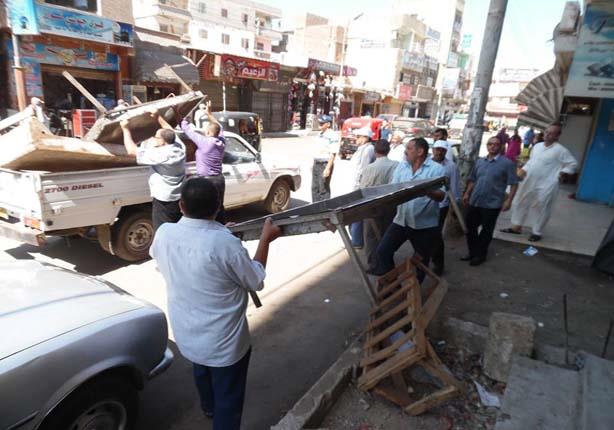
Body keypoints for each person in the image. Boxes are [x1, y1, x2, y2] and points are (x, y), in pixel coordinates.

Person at [150, 177, 281, 430]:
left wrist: (222, 231)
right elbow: (256, 280)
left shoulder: (165, 233)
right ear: (218, 206)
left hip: (188, 334)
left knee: (202, 372)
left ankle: (208, 406)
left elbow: (185, 248)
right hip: (224, 344)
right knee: (228, 401)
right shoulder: (225, 244)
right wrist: (265, 240)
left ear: (181, 205)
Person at [368, 137, 446, 282]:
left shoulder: (437, 169)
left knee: (421, 262)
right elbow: (392, 189)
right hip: (401, 220)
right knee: (382, 252)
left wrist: (426, 190)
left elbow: (441, 196)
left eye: (409, 149)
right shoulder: (402, 167)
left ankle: (413, 298)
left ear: (420, 151)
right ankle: (394, 287)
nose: (405, 151)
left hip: (424, 225)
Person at [500, 123, 577, 242]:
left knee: (542, 206)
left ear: (557, 136)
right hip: (529, 179)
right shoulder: (537, 146)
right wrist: (523, 170)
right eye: (546, 132)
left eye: (551, 133)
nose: (547, 135)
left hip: (548, 183)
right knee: (521, 201)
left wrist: (563, 173)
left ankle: (537, 232)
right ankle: (516, 227)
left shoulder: (561, 150)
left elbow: (573, 164)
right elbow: (531, 162)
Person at [121, 111, 186, 231]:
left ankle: (165, 248)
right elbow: (169, 130)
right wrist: (158, 117)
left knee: (163, 230)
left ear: (163, 141)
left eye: (156, 137)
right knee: (175, 226)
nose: (153, 139)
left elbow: (131, 151)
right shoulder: (179, 147)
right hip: (176, 198)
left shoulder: (162, 154)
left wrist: (125, 128)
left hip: (164, 201)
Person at [462, 137, 518, 266]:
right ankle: (472, 252)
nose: (493, 146)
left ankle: (480, 255)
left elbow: (514, 184)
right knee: (470, 227)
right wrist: (467, 193)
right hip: (475, 200)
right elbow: (473, 179)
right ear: (487, 146)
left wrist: (508, 201)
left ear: (501, 146)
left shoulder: (507, 164)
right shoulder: (480, 162)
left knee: (486, 231)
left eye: (496, 144)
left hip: (492, 203)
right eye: (490, 144)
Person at [180, 100, 227, 223]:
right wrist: (209, 113)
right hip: (219, 179)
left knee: (205, 209)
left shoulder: (205, 142)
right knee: (218, 206)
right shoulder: (221, 141)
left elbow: (187, 130)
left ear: (207, 132)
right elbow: (219, 127)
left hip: (207, 181)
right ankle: (221, 226)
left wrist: (183, 117)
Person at [360, 139, 399, 267]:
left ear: (375, 152)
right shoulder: (396, 165)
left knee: (371, 236)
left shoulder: (368, 168)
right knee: (387, 234)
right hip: (389, 204)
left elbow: (363, 189)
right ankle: (385, 262)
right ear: (388, 150)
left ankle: (373, 263)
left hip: (371, 206)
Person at [430, 140, 461, 275]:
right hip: (425, 204)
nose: (439, 152)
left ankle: (438, 264)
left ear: (445, 151)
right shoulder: (427, 163)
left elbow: (454, 187)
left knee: (436, 235)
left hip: (441, 205)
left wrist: (454, 205)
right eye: (437, 149)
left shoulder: (451, 166)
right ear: (433, 149)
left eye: (442, 150)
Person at [349, 127, 375, 248]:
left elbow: (363, 170)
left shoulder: (368, 150)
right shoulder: (362, 148)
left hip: (360, 186)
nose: (356, 139)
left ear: (365, 138)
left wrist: (358, 187)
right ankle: (355, 239)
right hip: (355, 185)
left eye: (358, 136)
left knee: (357, 214)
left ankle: (357, 241)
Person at [312, 115, 340, 202]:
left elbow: (333, 153)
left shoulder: (333, 135)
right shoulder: (320, 134)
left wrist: (328, 168)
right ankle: (314, 208)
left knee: (323, 188)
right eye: (319, 123)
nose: (319, 125)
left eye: (322, 123)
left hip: (325, 163)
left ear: (328, 124)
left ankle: (324, 210)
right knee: (314, 188)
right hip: (317, 162)